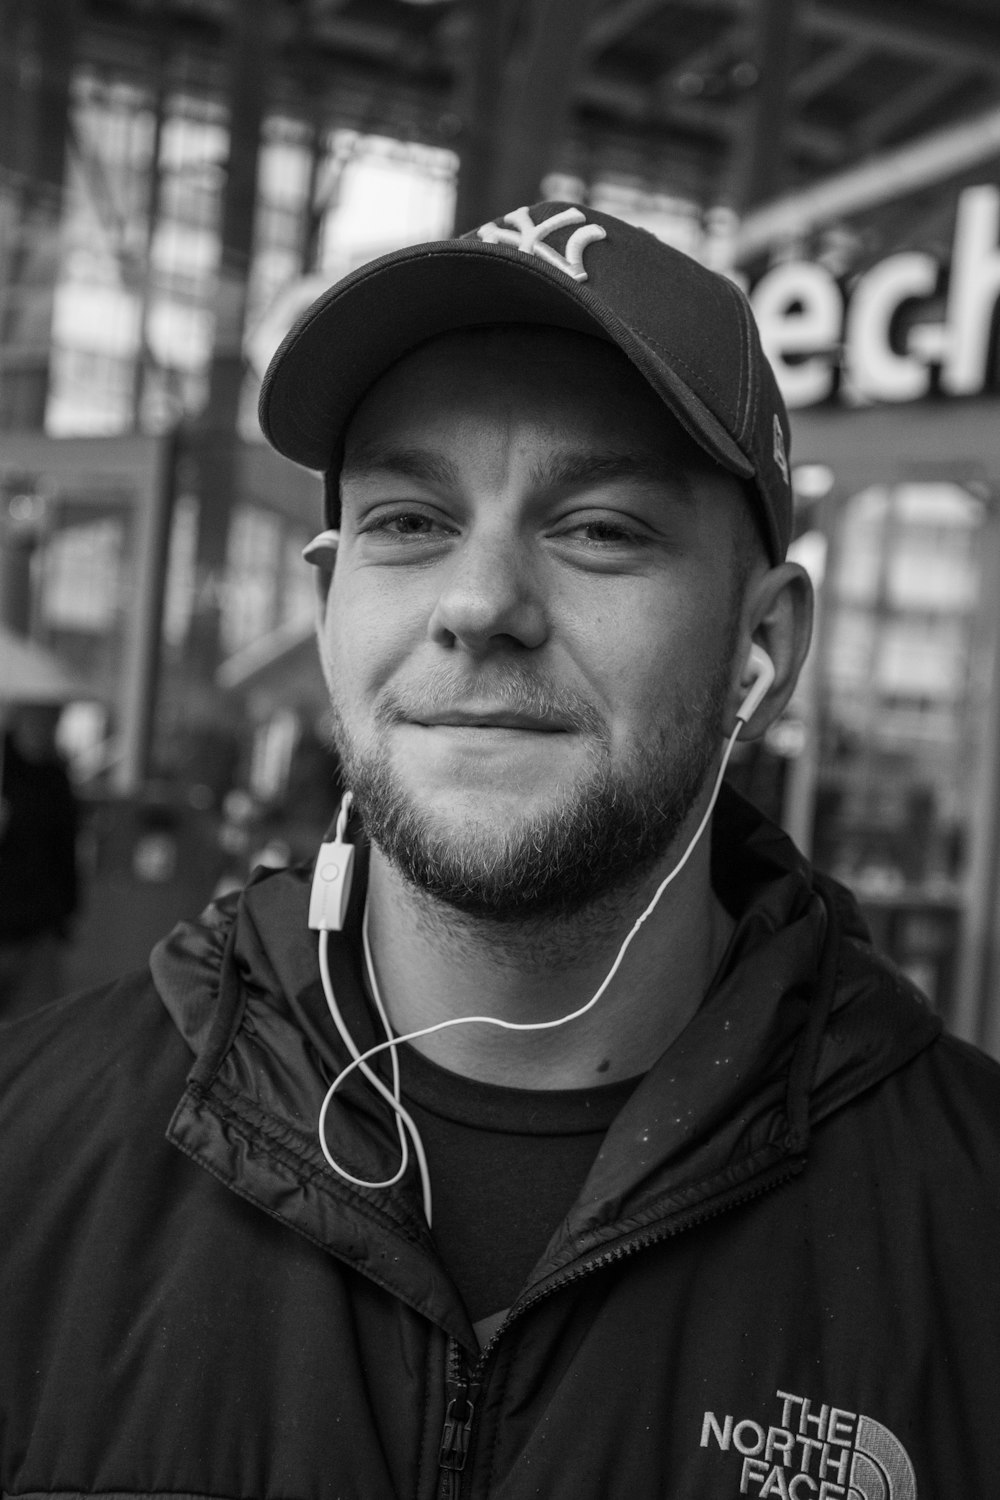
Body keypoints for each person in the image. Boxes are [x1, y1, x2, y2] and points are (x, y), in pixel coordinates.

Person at [1, 201, 999, 1499]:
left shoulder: (967, 1237)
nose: (479, 607)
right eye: (410, 521)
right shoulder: (31, 1153)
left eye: (601, 528)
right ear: (327, 607)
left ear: (766, 648)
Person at [0, 700, 79, 1020]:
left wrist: (65, 911)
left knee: (35, 1032)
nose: (45, 727)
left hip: (38, 928)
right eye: (38, 717)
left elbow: (65, 849)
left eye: (52, 719)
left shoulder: (55, 777)